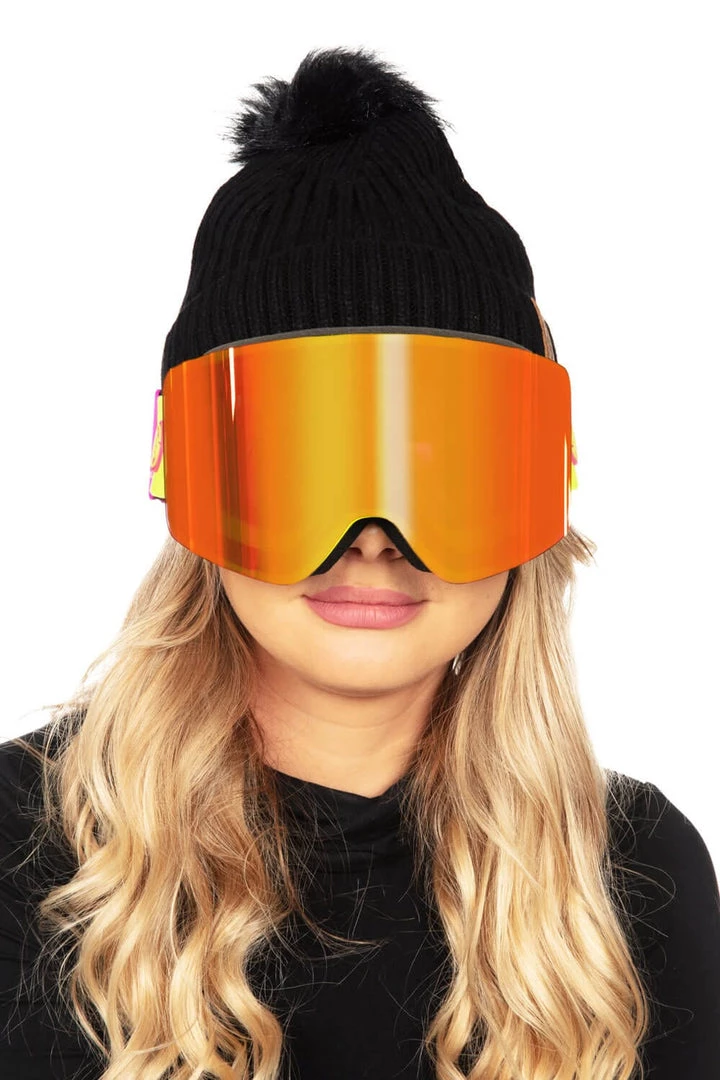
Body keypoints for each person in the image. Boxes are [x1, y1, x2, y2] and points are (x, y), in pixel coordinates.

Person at [1, 44, 719, 1080]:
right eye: (303, 461)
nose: (372, 537)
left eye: (442, 461)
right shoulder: (20, 850)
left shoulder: (638, 872)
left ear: (538, 478)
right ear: (189, 472)